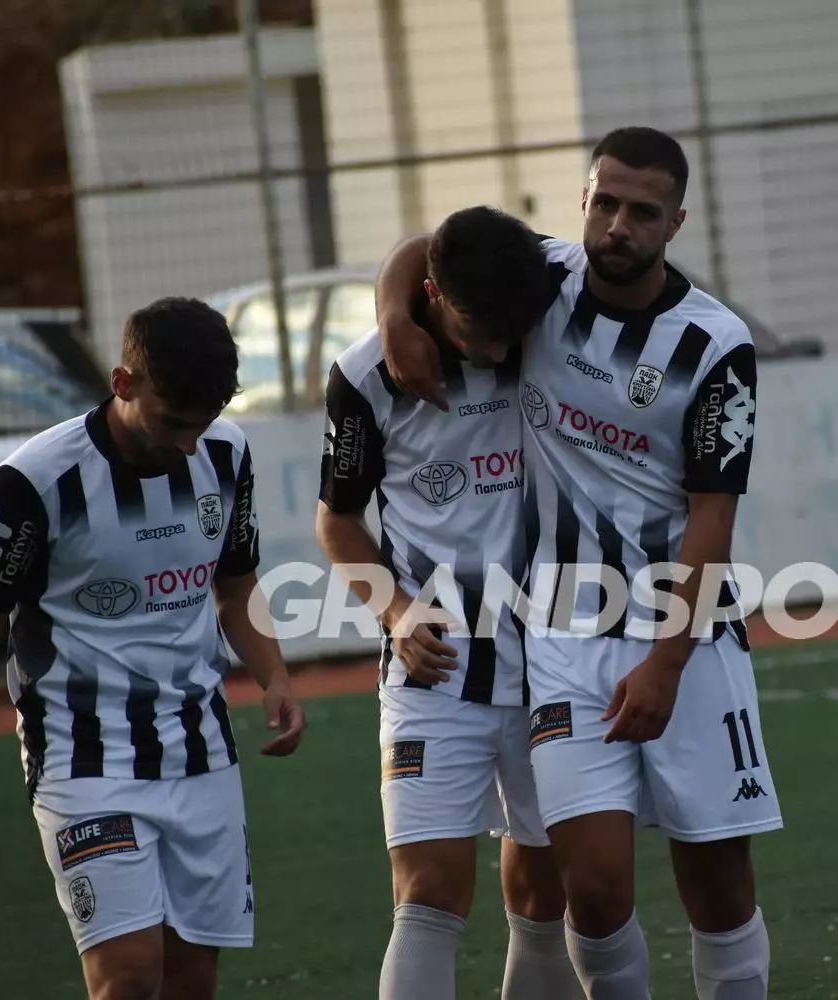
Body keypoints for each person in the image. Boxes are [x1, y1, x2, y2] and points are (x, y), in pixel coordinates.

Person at [374, 126, 780, 999]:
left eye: (643, 212)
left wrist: (667, 661)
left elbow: (714, 516)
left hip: (688, 640)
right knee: (592, 893)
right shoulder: (544, 278)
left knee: (718, 887)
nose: (617, 226)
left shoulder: (715, 344)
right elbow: (425, 249)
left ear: (675, 222)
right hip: (562, 636)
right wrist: (395, 319)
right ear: (585, 201)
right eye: (605, 204)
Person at [0, 297, 307, 1000]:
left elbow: (236, 585)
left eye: (203, 422)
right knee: (128, 975)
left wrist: (275, 677)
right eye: (172, 422)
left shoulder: (226, 452)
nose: (189, 444)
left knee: (190, 979)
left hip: (201, 751)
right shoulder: (33, 483)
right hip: (82, 758)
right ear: (123, 383)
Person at [316, 205, 581, 1000]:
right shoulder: (367, 377)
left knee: (548, 890)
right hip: (436, 668)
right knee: (428, 894)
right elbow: (337, 522)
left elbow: (438, 245)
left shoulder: (535, 314)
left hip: (556, 659)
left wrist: (395, 305)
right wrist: (397, 612)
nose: (498, 350)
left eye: (509, 334)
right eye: (480, 333)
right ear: (434, 295)